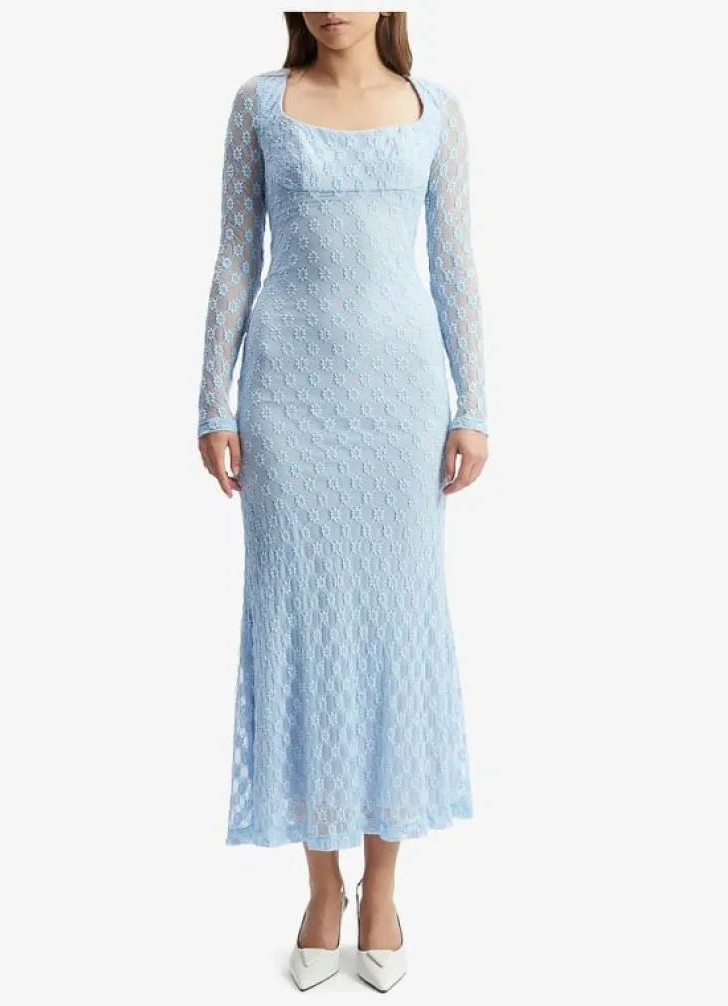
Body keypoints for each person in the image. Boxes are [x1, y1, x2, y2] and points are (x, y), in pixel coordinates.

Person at [197, 11, 488, 992]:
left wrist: (473, 406)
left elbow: (454, 265)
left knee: (393, 631)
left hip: (399, 405)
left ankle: (385, 886)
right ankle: (323, 886)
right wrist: (212, 401)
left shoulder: (434, 110)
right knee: (302, 629)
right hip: (288, 403)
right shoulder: (259, 105)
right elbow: (234, 257)